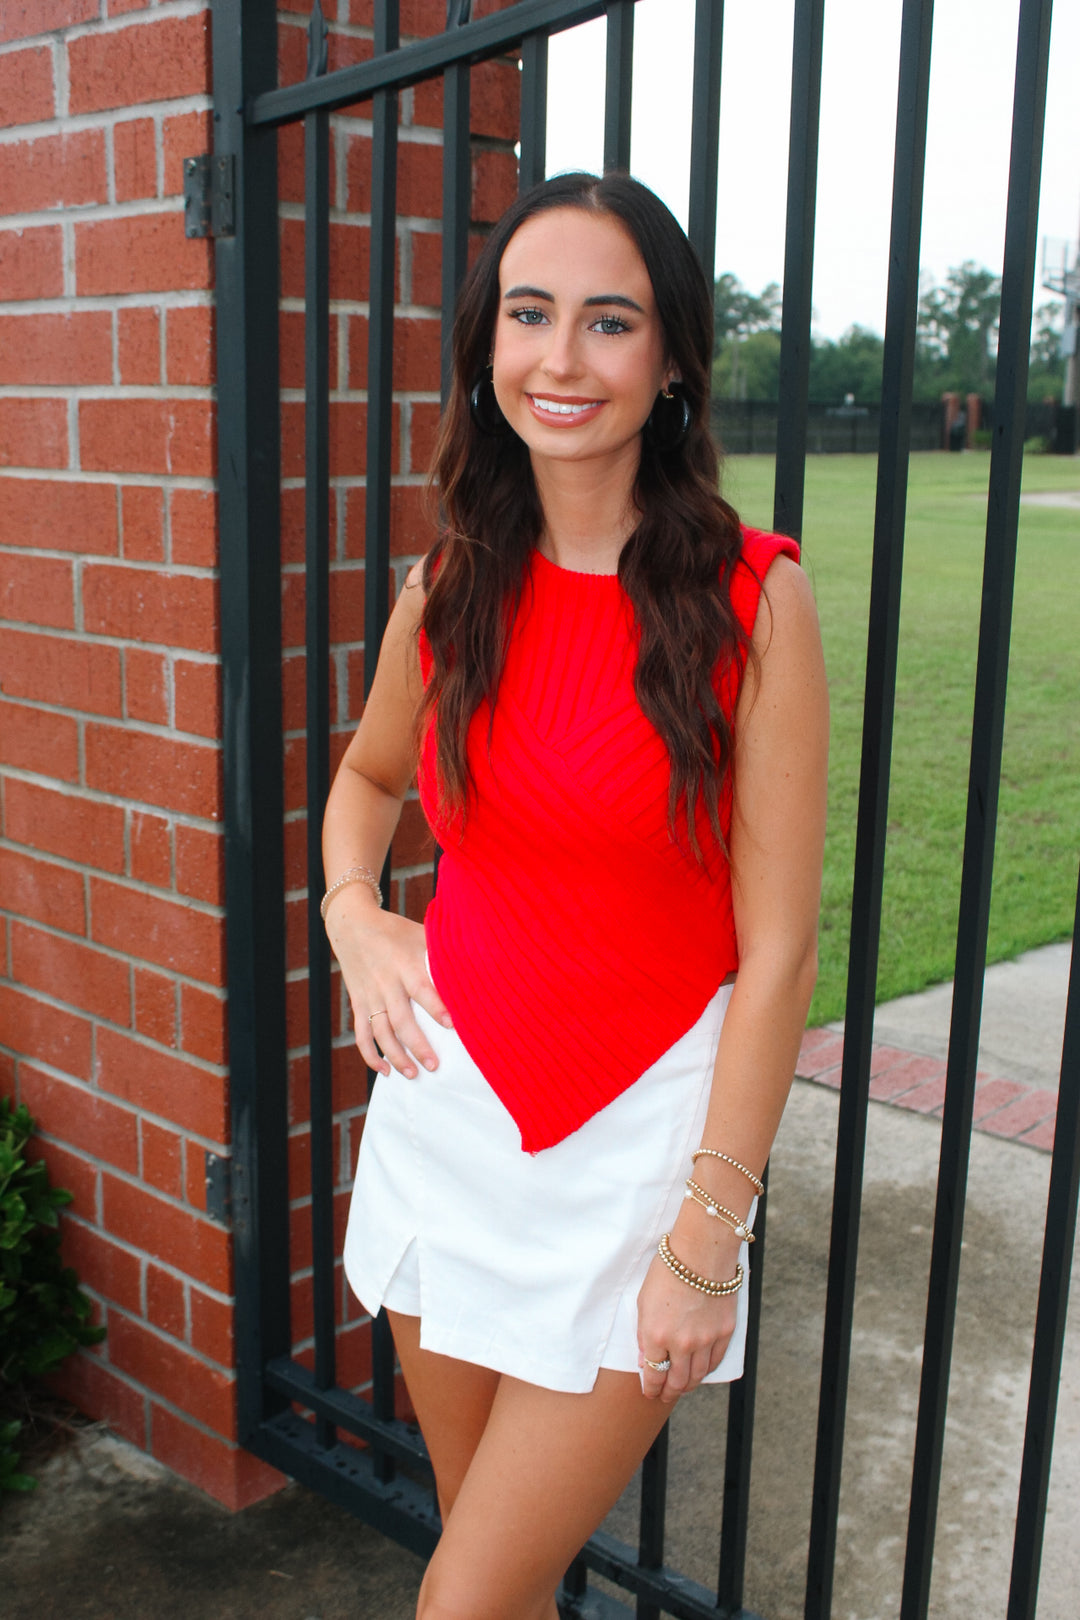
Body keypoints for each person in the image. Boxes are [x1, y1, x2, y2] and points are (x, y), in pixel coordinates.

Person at [321, 171, 828, 1620]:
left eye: (610, 322)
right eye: (530, 315)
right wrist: (358, 918)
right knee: (507, 1575)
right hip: (449, 1119)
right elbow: (364, 787)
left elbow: (780, 949)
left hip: (638, 1162)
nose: (562, 359)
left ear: (669, 359)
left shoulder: (754, 600)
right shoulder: (456, 578)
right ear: (487, 347)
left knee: (463, 1599)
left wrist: (704, 1241)